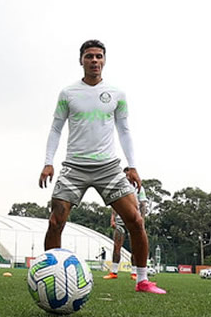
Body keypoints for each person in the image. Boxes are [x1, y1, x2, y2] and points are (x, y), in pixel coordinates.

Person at [38, 40, 165, 295]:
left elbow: (124, 130)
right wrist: (48, 162)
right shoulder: (68, 93)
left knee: (136, 220)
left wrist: (132, 166)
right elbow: (55, 128)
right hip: (74, 166)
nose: (94, 61)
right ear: (81, 60)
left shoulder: (116, 94)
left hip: (109, 167)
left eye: (98, 56)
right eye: (89, 56)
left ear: (104, 60)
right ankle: (49, 277)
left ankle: (142, 280)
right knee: (55, 222)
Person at [104, 189, 149, 280]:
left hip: (134, 220)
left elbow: (143, 204)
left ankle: (134, 272)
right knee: (117, 246)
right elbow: (115, 204)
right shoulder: (120, 185)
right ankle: (114, 272)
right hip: (120, 221)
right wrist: (112, 218)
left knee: (135, 247)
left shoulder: (139, 189)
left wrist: (142, 219)